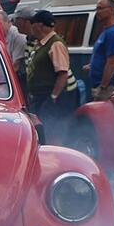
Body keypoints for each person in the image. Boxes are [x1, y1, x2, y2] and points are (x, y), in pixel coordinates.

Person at [25, 10, 79, 144]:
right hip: (42, 95)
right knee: (43, 126)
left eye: (33, 24)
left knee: (53, 128)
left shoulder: (55, 44)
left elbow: (62, 73)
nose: (31, 28)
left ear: (40, 26)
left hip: (55, 96)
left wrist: (53, 97)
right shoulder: (41, 43)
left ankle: (56, 154)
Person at [85, 0, 114, 100]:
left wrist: (103, 86)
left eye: (100, 8)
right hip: (100, 84)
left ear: (111, 10)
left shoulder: (113, 33)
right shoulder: (107, 31)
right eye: (96, 9)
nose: (97, 12)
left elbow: (112, 62)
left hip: (108, 87)